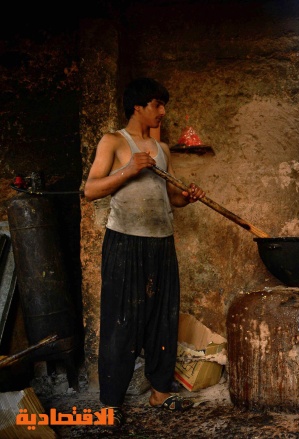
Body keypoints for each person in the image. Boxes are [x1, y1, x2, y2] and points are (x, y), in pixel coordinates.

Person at [84, 77, 205, 426]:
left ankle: (160, 392)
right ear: (138, 106)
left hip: (161, 242)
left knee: (161, 320)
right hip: (125, 241)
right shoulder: (113, 142)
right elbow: (90, 190)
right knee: (121, 323)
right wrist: (128, 169)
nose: (163, 112)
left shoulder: (163, 150)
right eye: (157, 104)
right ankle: (110, 402)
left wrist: (188, 197)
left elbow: (172, 201)